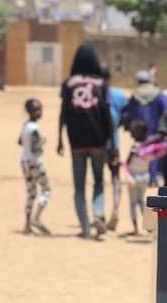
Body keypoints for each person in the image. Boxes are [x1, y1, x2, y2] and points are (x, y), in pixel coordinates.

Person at [58, 44, 114, 238]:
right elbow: (107, 115)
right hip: (98, 140)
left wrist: (59, 139)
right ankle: (98, 214)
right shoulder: (101, 84)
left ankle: (84, 227)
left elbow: (63, 113)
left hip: (76, 142)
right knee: (99, 181)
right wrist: (112, 142)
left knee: (79, 186)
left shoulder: (69, 84)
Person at [121, 69, 167, 185]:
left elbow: (128, 111)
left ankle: (141, 178)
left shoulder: (135, 95)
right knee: (153, 152)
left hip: (140, 131)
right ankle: (153, 178)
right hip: (156, 129)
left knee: (141, 153)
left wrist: (129, 125)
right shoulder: (158, 94)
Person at [121, 119, 167, 235]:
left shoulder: (135, 146)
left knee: (132, 203)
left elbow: (128, 161)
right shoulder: (149, 147)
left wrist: (122, 167)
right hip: (145, 176)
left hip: (133, 177)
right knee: (141, 201)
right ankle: (149, 227)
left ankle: (136, 229)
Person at [18, 99, 51, 235]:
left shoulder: (26, 125)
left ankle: (27, 225)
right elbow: (36, 148)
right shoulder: (35, 128)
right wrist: (42, 142)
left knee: (31, 193)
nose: (39, 112)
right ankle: (36, 218)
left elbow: (20, 141)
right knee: (46, 190)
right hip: (35, 162)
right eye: (37, 110)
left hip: (24, 162)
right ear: (31, 112)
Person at [101, 64, 128, 231]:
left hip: (96, 145)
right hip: (114, 145)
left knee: (98, 180)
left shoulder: (93, 95)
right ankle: (116, 209)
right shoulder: (118, 95)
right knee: (116, 178)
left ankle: (99, 214)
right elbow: (125, 117)